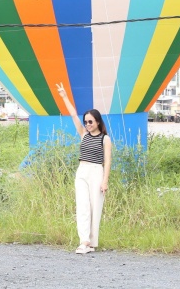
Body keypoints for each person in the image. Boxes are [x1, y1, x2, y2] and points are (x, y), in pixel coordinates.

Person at [55, 83, 112, 254]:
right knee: (82, 205)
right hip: (82, 170)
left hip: (96, 171)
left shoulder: (105, 139)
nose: (87, 124)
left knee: (95, 206)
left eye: (90, 121)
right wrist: (64, 96)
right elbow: (73, 115)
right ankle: (84, 240)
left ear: (97, 122)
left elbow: (107, 162)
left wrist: (105, 181)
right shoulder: (83, 134)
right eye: (86, 121)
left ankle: (92, 242)